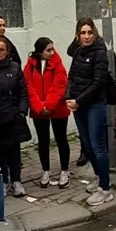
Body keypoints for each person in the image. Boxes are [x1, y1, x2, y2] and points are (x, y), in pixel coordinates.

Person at [66, 18, 114, 206]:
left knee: (98, 146)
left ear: (94, 34)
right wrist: (69, 98)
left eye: (89, 32)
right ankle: (100, 178)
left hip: (94, 105)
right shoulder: (78, 51)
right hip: (78, 105)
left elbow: (98, 82)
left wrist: (78, 101)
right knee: (88, 145)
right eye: (82, 33)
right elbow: (71, 77)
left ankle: (106, 188)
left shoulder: (99, 53)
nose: (86, 36)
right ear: (78, 35)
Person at [0, 38, 30, 197]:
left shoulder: (15, 68)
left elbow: (23, 93)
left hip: (14, 117)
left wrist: (22, 112)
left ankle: (16, 181)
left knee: (14, 151)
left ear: (7, 51)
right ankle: (3, 181)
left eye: (1, 49)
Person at [24, 37, 70, 189]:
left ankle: (64, 170)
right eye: (48, 50)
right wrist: (39, 106)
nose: (52, 52)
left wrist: (48, 105)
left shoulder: (58, 64)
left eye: (52, 49)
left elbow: (59, 85)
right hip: (39, 110)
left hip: (57, 108)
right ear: (39, 51)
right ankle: (46, 170)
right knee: (43, 141)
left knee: (61, 139)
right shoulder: (30, 66)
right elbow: (28, 87)